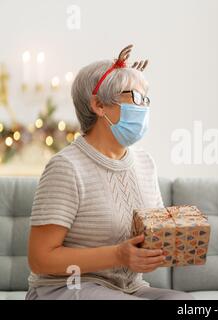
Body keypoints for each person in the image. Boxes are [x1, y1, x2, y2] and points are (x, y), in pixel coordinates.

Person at [26, 45, 193, 300]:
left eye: (145, 98)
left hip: (128, 288)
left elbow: (153, 233)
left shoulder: (145, 163)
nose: (144, 107)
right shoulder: (66, 167)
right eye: (135, 98)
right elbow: (40, 258)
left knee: (184, 302)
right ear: (98, 104)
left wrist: (167, 243)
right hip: (66, 288)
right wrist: (117, 254)